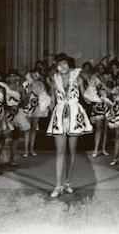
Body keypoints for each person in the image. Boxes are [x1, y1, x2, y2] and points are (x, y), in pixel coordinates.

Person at [46, 53, 93, 198]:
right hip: (59, 115)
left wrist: (93, 90)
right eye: (59, 65)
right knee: (60, 151)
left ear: (69, 65)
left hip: (74, 115)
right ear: (57, 67)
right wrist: (44, 99)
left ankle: (67, 183)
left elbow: (87, 99)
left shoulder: (77, 78)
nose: (62, 67)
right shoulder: (54, 81)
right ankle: (58, 185)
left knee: (72, 151)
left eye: (65, 63)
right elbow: (52, 104)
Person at [4, 70, 31, 166]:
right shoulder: (4, 87)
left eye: (14, 76)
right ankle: (0, 157)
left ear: (17, 77)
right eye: (10, 76)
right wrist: (9, 108)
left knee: (15, 135)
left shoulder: (20, 89)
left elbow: (23, 102)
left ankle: (12, 157)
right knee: (4, 134)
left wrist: (17, 106)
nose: (12, 78)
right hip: (6, 112)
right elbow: (1, 100)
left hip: (17, 113)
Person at [21, 70, 50, 157]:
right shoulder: (25, 84)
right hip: (27, 108)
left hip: (37, 108)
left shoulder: (40, 84)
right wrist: (29, 91)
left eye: (36, 75)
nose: (35, 76)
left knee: (34, 129)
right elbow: (24, 99)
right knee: (27, 128)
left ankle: (31, 149)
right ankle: (26, 150)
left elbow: (44, 96)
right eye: (33, 75)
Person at [83, 70, 111, 158]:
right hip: (98, 108)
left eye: (95, 78)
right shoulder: (90, 89)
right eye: (92, 79)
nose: (93, 80)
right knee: (98, 129)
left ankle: (103, 149)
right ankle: (95, 149)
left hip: (107, 108)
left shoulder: (104, 86)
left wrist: (103, 85)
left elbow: (110, 93)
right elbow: (87, 100)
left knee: (106, 129)